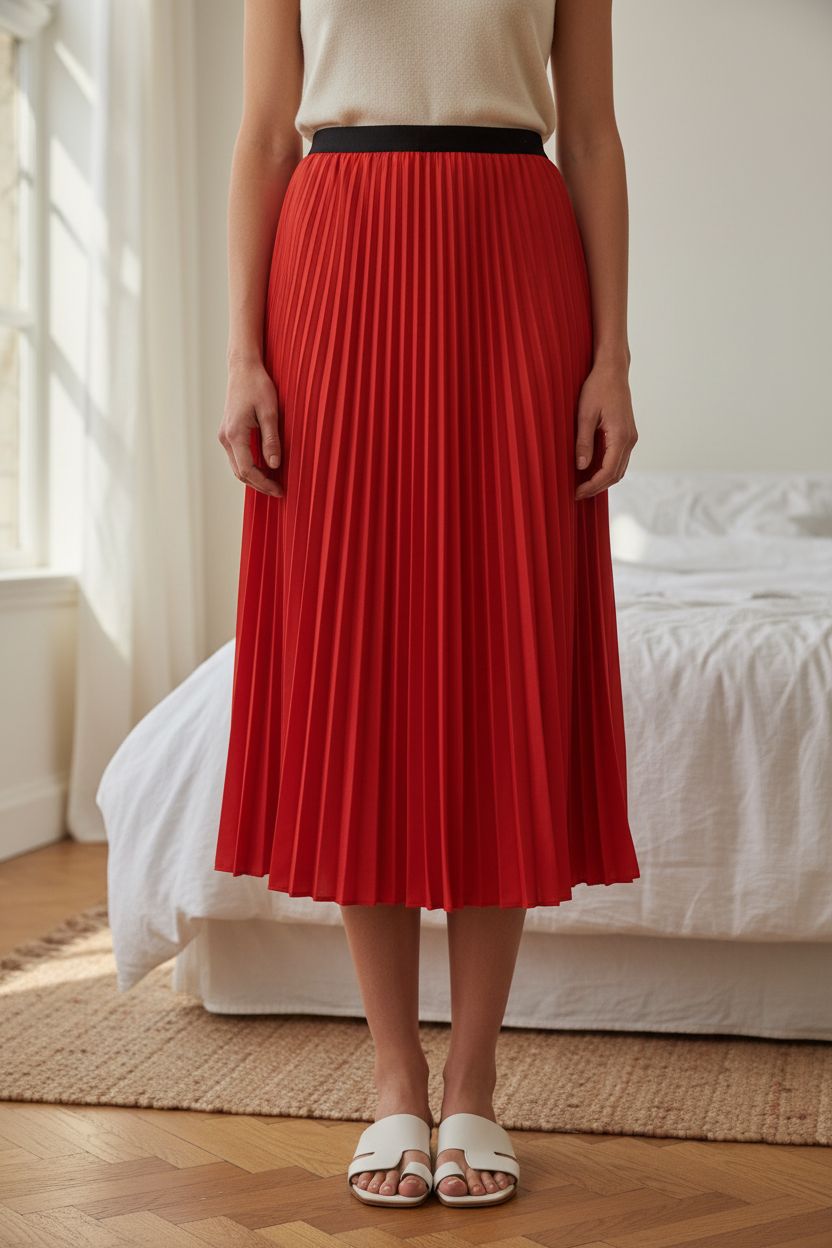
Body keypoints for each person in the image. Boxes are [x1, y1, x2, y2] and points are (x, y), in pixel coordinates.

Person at [214, 0, 640, 1210]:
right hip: (336, 259)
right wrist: (243, 354)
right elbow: (261, 135)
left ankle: (472, 1081)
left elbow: (595, 139)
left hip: (515, 263)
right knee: (360, 660)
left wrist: (611, 358)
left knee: (500, 645)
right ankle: (394, 1077)